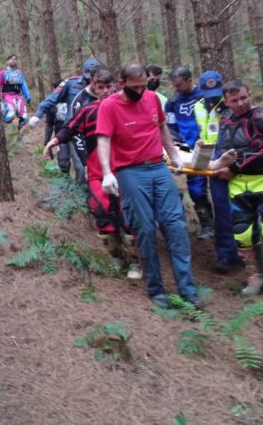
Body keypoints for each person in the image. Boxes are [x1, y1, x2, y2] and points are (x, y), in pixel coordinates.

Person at [97, 63, 201, 309]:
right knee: (143, 228)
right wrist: (107, 173)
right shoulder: (109, 106)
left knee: (175, 224)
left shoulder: (153, 98)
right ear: (122, 84)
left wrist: (174, 155)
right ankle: (156, 289)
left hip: (157, 167)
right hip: (130, 171)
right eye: (135, 87)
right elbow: (104, 139)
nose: (141, 91)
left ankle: (188, 290)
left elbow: (162, 128)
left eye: (144, 86)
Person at [44, 68, 141, 279]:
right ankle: (116, 257)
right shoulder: (88, 111)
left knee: (129, 217)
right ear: (94, 88)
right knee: (101, 211)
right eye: (101, 87)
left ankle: (135, 261)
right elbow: (69, 128)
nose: (105, 91)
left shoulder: (126, 108)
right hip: (97, 173)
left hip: (125, 171)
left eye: (109, 86)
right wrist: (54, 141)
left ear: (116, 86)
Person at [214, 80, 263, 295]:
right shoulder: (226, 121)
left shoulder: (262, 117)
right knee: (242, 233)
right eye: (234, 100)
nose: (240, 103)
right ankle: (255, 276)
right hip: (238, 183)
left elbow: (261, 149)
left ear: (250, 95)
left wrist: (233, 168)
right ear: (226, 101)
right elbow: (224, 151)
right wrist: (211, 166)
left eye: (243, 98)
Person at [194, 71, 242, 273]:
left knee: (240, 211)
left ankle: (245, 253)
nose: (213, 98)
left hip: (236, 165)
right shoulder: (198, 106)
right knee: (222, 212)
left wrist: (234, 166)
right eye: (209, 94)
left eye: (216, 93)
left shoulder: (232, 106)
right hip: (212, 165)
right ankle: (226, 255)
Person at [165, 66, 214, 240]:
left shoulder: (204, 97)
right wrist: (178, 145)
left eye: (179, 85)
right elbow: (170, 128)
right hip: (185, 150)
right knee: (192, 188)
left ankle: (210, 225)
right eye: (174, 85)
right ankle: (202, 224)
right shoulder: (172, 102)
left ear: (189, 80)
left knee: (200, 188)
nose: (176, 88)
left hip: (206, 148)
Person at [32, 59, 101, 180]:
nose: (91, 81)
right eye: (89, 77)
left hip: (98, 132)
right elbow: (51, 99)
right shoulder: (70, 83)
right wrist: (37, 115)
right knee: (81, 167)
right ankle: (82, 195)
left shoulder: (106, 86)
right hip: (75, 131)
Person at [0, 54, 31, 130]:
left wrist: (28, 96)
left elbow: (23, 85)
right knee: (11, 114)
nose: (13, 60)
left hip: (18, 95)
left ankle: (19, 136)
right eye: (11, 59)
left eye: (15, 59)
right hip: (7, 95)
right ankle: (4, 128)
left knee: (24, 115)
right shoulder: (3, 73)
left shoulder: (19, 73)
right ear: (7, 61)